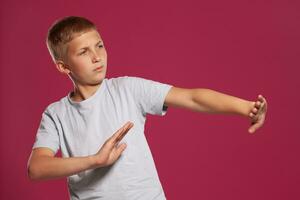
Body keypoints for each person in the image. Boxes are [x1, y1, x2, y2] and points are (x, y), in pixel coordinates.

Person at [27, 16, 268, 200]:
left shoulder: (128, 89)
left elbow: (192, 97)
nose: (97, 57)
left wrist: (247, 107)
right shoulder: (56, 113)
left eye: (99, 46)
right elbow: (37, 168)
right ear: (63, 66)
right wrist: (95, 160)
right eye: (83, 51)